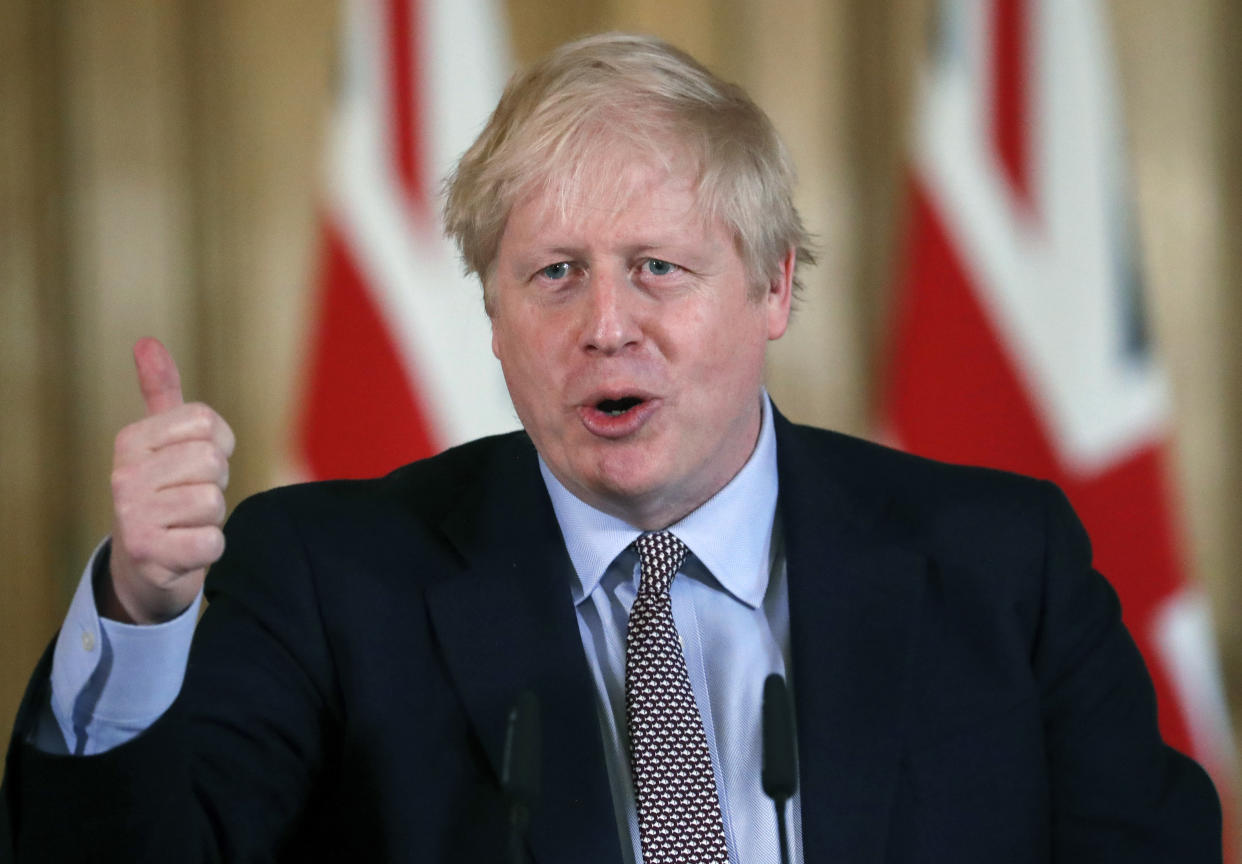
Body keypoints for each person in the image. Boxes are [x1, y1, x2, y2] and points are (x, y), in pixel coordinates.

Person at [0, 32, 1221, 864]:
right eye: (553, 275)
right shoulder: (329, 577)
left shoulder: (1001, 563)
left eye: (657, 270)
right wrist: (144, 610)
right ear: (491, 314)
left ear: (776, 286)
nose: (606, 328)